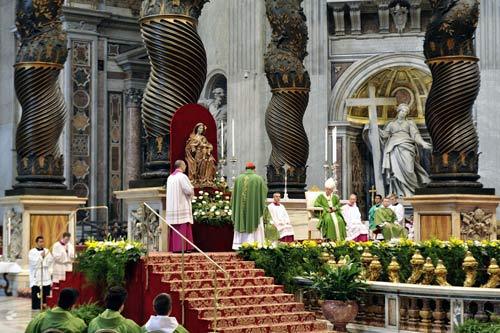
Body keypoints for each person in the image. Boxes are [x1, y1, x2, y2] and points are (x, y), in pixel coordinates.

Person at [379, 103, 432, 197]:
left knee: (409, 170)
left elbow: (415, 135)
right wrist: (373, 128)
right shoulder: (391, 124)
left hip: (407, 147)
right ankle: (399, 192)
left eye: (406, 112)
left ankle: (413, 190)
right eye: (402, 110)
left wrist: (423, 143)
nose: (404, 113)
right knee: (395, 172)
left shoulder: (409, 123)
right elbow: (384, 135)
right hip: (394, 148)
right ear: (398, 111)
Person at [231, 162, 267, 250]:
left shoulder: (238, 179)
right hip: (254, 211)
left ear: (246, 169)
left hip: (240, 211)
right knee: (255, 219)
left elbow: (233, 196)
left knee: (241, 219)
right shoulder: (258, 179)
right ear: (254, 169)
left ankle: (239, 244)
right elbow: (264, 193)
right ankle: (254, 244)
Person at [166, 160, 195, 253]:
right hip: (181, 205)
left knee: (175, 227)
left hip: (172, 207)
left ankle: (175, 248)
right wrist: (192, 190)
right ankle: (184, 247)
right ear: (182, 166)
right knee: (183, 225)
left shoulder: (170, 177)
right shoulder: (182, 177)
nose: (186, 167)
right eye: (185, 165)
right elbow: (188, 190)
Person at [29, 236, 53, 310]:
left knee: (46, 290)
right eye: (40, 242)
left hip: (45, 273)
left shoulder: (47, 250)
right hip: (37, 273)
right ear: (36, 242)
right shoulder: (32, 252)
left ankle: (45, 305)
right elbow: (33, 262)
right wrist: (41, 257)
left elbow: (50, 261)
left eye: (42, 241)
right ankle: (36, 306)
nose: (41, 243)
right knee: (36, 291)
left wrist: (44, 261)